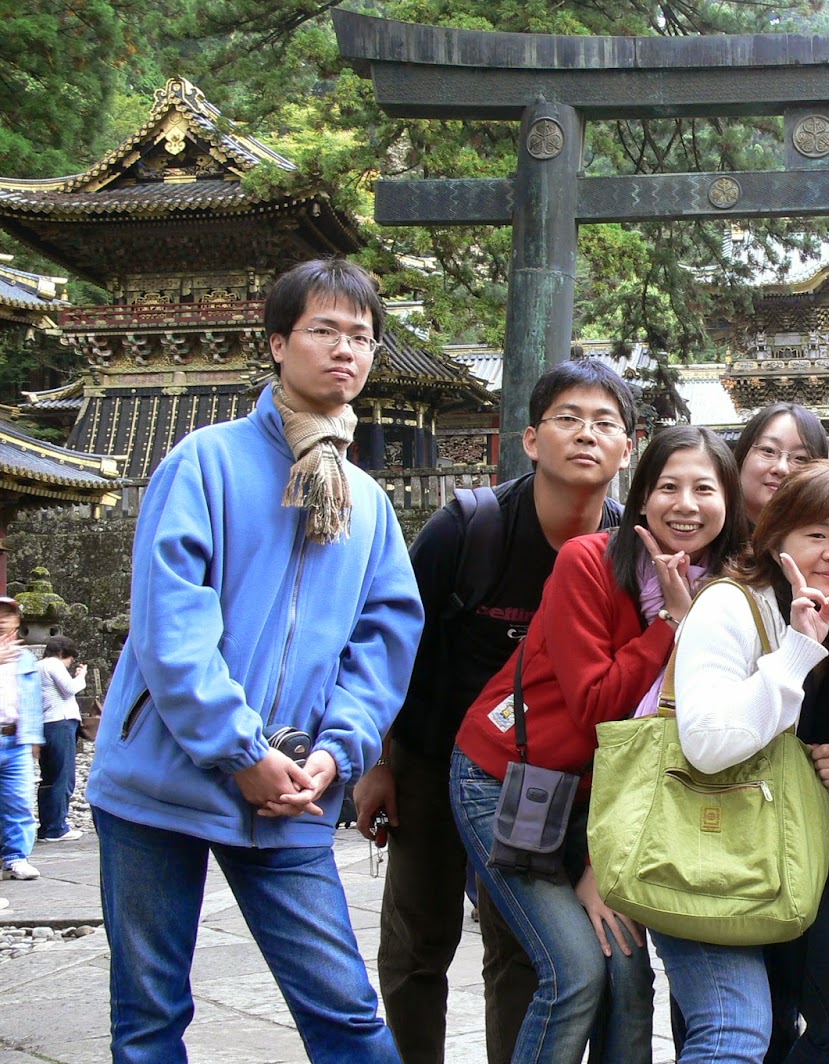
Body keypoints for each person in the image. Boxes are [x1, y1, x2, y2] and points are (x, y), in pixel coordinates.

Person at [86, 257, 425, 1062]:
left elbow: (382, 644)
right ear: (277, 342)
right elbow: (172, 628)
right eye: (324, 330)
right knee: (149, 1016)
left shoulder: (367, 502)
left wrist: (339, 751)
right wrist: (240, 751)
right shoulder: (203, 462)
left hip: (295, 788)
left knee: (347, 1015)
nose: (345, 349)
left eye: (362, 337)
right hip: (162, 781)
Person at [358, 359, 637, 1064]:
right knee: (419, 940)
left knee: (520, 949)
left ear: (627, 449)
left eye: (605, 423)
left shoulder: (630, 551)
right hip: (431, 757)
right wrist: (379, 764)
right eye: (568, 418)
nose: (586, 434)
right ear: (531, 439)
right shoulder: (469, 529)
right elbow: (392, 646)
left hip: (541, 776)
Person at [452, 425, 744, 1063]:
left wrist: (598, 863)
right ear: (641, 496)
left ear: (729, 502)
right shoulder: (588, 561)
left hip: (604, 804)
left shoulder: (731, 593)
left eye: (704, 489)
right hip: (509, 782)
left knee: (628, 975)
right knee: (576, 972)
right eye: (668, 487)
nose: (686, 505)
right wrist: (670, 622)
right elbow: (596, 709)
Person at [652, 461, 829, 1064]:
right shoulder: (727, 606)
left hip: (794, 856)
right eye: (817, 534)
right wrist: (796, 653)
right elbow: (708, 743)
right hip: (706, 848)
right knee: (739, 1030)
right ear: (777, 536)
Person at [732, 402, 828, 529]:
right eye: (768, 450)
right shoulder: (708, 534)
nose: (782, 468)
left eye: (800, 458)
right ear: (742, 455)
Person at [0, 598, 43, 881]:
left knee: (19, 801)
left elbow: (33, 700)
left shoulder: (26, 658)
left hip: (16, 739)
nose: (1, 620)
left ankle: (16, 857)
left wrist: (34, 738)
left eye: (7, 615)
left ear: (16, 621)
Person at [36, 634, 87, 844]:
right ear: (62, 652)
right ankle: (57, 828)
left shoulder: (38, 666)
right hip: (61, 722)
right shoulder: (54, 664)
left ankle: (46, 827)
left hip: (44, 724)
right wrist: (81, 676)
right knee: (63, 776)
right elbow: (70, 689)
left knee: (48, 778)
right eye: (70, 658)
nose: (70, 663)